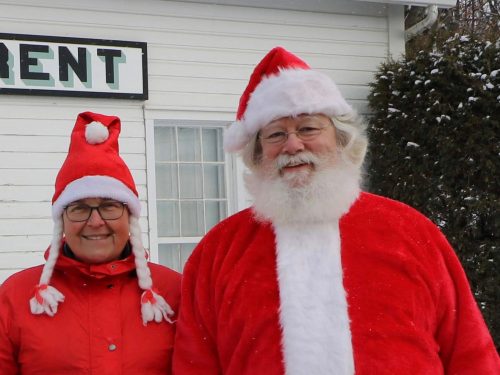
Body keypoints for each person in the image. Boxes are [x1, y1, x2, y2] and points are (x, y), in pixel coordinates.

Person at [172, 47, 500, 375]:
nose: (293, 145)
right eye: (275, 134)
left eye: (308, 128)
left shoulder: (411, 231)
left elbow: (471, 353)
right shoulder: (218, 252)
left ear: (342, 139)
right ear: (257, 154)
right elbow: (194, 363)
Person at [0, 111, 181, 374]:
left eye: (109, 206)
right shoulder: (15, 297)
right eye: (79, 208)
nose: (95, 221)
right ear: (61, 219)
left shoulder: (176, 293)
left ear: (130, 216)